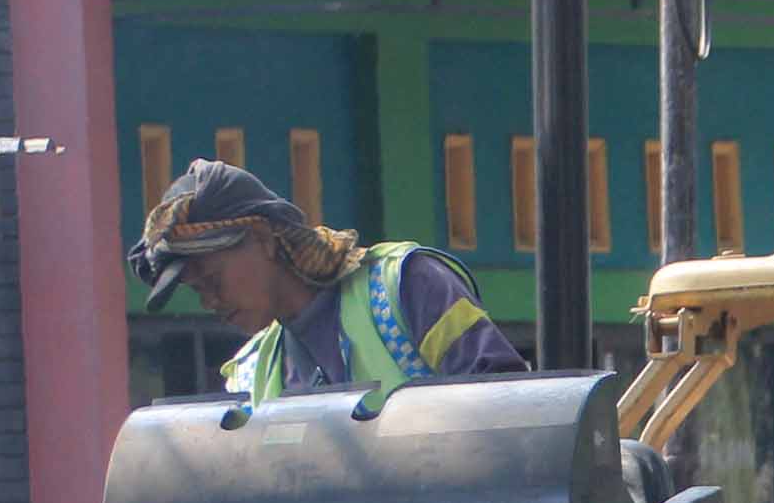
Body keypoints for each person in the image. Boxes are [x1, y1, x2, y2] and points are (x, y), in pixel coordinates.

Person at [130, 158, 526, 399]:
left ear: (263, 238)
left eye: (213, 279)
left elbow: (509, 406)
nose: (209, 301)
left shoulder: (405, 288)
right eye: (198, 290)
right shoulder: (248, 376)